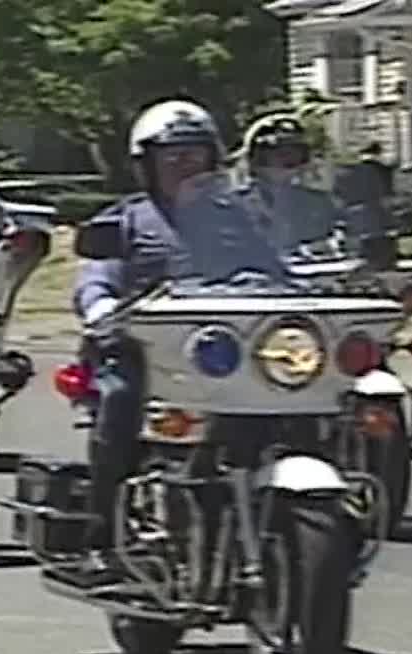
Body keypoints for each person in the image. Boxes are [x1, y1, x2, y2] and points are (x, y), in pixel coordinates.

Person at [72, 98, 288, 585]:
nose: (185, 166)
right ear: (147, 166)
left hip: (232, 351)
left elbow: (280, 268)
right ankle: (102, 536)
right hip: (148, 352)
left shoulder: (240, 217)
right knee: (119, 398)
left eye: (195, 156)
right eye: (172, 157)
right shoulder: (127, 219)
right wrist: (101, 304)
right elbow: (97, 275)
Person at [238, 112, 342, 258]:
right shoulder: (233, 205)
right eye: (274, 155)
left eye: (293, 155)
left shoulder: (320, 204)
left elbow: (340, 241)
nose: (285, 163)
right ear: (254, 160)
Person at [334, 140, 396, 270]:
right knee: (382, 257)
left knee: (359, 259)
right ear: (379, 152)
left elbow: (339, 196)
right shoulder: (383, 171)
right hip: (378, 220)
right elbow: (387, 197)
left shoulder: (346, 172)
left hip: (355, 219)